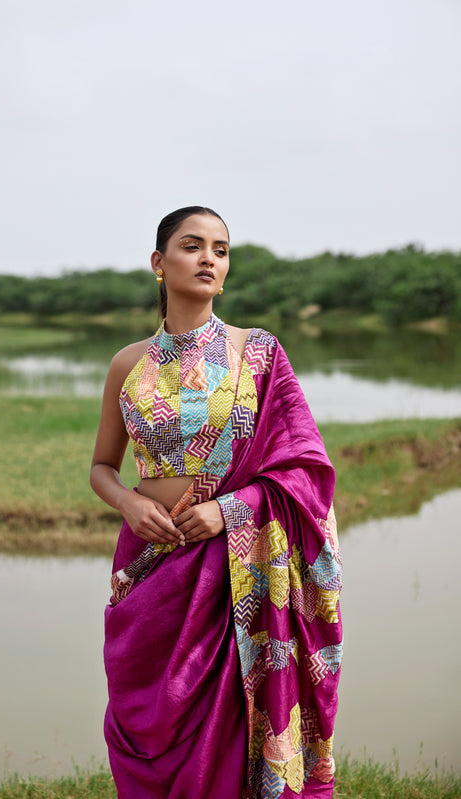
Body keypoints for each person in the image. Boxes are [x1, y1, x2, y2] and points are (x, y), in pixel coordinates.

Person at [90, 206, 343, 799]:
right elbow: (102, 468)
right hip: (153, 564)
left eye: (221, 249)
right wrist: (127, 503)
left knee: (231, 721)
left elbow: (305, 468)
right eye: (192, 245)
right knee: (150, 713)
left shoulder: (257, 354)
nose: (209, 258)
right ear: (159, 263)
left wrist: (227, 511)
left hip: (236, 565)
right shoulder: (128, 365)